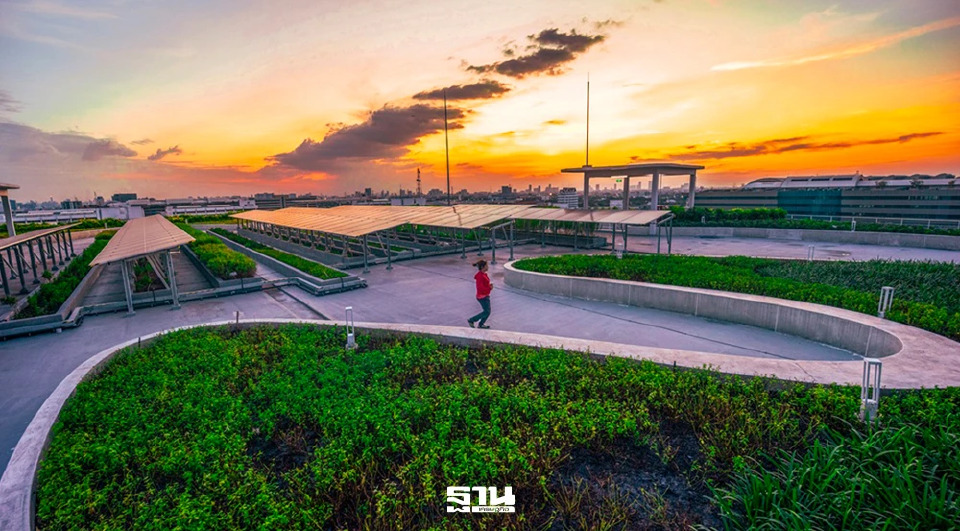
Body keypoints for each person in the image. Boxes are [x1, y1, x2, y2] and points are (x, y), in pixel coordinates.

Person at [467, 259, 492, 329]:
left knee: (487, 311)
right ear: (483, 267)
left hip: (484, 296)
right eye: (487, 265)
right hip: (483, 297)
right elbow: (480, 288)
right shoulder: (481, 276)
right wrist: (489, 288)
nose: (488, 267)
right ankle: (472, 320)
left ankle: (481, 324)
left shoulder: (482, 275)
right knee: (487, 311)